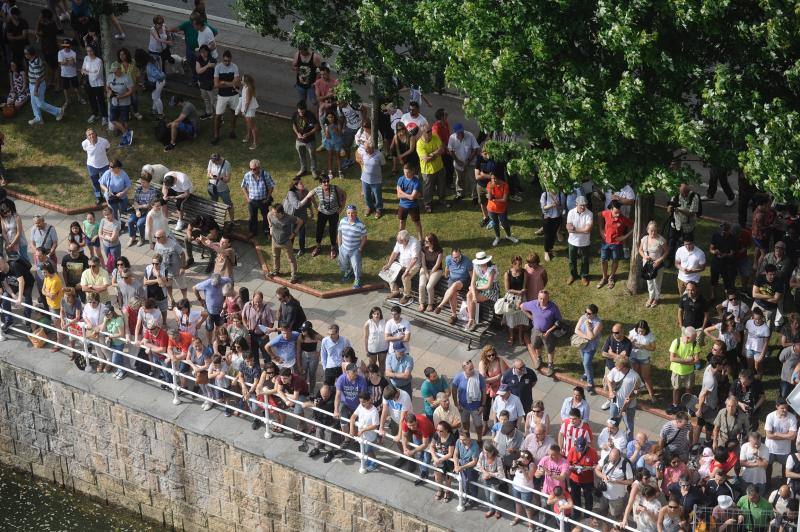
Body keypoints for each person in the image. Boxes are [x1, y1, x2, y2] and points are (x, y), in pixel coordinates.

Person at [300, 175, 346, 258]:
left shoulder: (335, 188)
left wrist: (342, 207)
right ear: (320, 183)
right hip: (322, 213)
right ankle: (318, 246)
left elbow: (344, 194)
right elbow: (310, 195)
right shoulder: (318, 189)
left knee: (332, 230)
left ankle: (333, 248)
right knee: (319, 230)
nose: (326, 183)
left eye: (327, 181)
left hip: (333, 214)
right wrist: (315, 205)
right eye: (324, 182)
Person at [521, 289, 562, 375]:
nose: (542, 301)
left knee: (549, 349)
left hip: (548, 332)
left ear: (548, 298)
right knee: (536, 345)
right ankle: (539, 359)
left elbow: (558, 321)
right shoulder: (533, 304)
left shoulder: (553, 308)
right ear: (538, 298)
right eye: (540, 298)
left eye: (544, 299)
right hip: (536, 331)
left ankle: (550, 365)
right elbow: (521, 306)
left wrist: (549, 330)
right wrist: (530, 316)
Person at [594, 448, 634, 531]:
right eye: (611, 459)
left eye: (614, 460)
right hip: (604, 495)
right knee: (603, 511)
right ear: (609, 455)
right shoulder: (605, 458)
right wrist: (603, 476)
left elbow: (630, 481)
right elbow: (597, 469)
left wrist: (616, 481)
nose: (612, 462)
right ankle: (604, 527)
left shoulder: (625, 464)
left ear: (619, 456)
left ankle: (618, 529)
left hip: (617, 497)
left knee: (617, 515)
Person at [597, 200, 633, 289]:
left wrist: (624, 237)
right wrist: (601, 230)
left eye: (619, 211)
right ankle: (604, 277)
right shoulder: (606, 213)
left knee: (615, 260)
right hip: (605, 242)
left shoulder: (623, 218)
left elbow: (634, 226)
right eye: (616, 212)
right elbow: (599, 215)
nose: (618, 214)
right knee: (603, 260)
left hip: (616, 244)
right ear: (611, 209)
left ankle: (611, 277)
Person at [24, 46, 64, 126]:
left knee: (40, 103)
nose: (25, 55)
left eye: (26, 54)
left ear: (30, 54)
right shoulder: (31, 60)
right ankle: (38, 118)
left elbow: (38, 79)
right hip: (32, 84)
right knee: (33, 102)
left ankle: (59, 111)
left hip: (38, 85)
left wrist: (35, 90)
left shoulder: (36, 63)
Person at [666, 327, 701, 415]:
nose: (696, 339)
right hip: (676, 371)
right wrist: (688, 361)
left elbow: (696, 360)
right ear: (688, 337)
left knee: (688, 389)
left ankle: (688, 406)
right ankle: (675, 405)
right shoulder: (676, 342)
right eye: (694, 337)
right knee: (676, 388)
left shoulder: (695, 344)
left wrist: (682, 361)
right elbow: (671, 358)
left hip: (689, 372)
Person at [765, 397, 797, 490]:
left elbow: (793, 436)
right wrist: (786, 435)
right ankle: (768, 484)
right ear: (777, 407)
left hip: (784, 450)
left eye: (786, 408)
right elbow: (769, 435)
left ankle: (784, 486)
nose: (785, 410)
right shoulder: (770, 416)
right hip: (770, 448)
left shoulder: (792, 417)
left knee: (785, 468)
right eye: (782, 408)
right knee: (768, 467)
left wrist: (777, 434)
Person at [434, 248, 473, 323]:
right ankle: (453, 315)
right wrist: (445, 276)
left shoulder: (467, 261)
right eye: (455, 257)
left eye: (459, 256)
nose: (457, 258)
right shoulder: (448, 259)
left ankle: (441, 305)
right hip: (452, 279)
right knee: (452, 293)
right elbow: (447, 268)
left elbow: (472, 275)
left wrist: (472, 285)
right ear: (451, 256)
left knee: (454, 285)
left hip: (463, 281)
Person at [383, 230, 421, 306]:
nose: (398, 242)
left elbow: (415, 259)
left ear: (405, 240)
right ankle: (395, 292)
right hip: (401, 264)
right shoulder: (400, 241)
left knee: (405, 277)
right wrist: (389, 264)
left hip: (413, 265)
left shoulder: (414, 243)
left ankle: (407, 295)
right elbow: (394, 253)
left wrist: (407, 270)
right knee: (389, 272)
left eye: (400, 241)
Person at [416, 124, 447, 213]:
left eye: (430, 130)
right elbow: (426, 160)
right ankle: (427, 204)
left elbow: (442, 149)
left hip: (439, 167)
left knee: (441, 185)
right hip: (427, 171)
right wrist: (436, 154)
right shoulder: (419, 144)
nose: (430, 132)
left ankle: (442, 199)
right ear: (422, 133)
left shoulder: (435, 136)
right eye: (428, 131)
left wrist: (431, 154)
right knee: (427, 189)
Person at [465, 251, 499, 332]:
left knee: (471, 296)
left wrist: (476, 289)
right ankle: (471, 320)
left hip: (491, 289)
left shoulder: (492, 269)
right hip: (479, 285)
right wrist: (473, 294)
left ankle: (472, 321)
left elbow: (489, 286)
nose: (481, 264)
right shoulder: (476, 267)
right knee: (469, 295)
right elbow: (472, 282)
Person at [638, 220, 670, 307]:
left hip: (657, 265)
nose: (653, 232)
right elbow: (640, 250)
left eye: (655, 230)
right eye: (651, 230)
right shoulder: (644, 239)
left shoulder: (661, 240)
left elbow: (667, 251)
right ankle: (651, 297)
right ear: (647, 230)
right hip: (647, 264)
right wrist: (644, 256)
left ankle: (656, 298)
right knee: (649, 281)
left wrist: (659, 260)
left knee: (657, 282)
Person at [241, 159, 275, 238]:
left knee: (266, 216)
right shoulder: (247, 175)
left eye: (254, 169)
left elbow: (271, 186)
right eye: (251, 169)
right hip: (252, 201)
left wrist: (268, 197)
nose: (252, 170)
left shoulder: (265, 174)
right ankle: (253, 231)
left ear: (259, 167)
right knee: (252, 217)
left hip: (263, 200)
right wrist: (247, 198)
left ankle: (266, 230)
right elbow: (243, 186)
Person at [567, 436, 598, 522]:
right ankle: (577, 513)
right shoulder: (572, 450)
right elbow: (567, 464)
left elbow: (596, 466)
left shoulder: (593, 452)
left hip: (588, 480)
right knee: (575, 497)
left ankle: (587, 515)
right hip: (574, 479)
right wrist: (573, 467)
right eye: (578, 449)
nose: (579, 451)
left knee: (588, 497)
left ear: (586, 446)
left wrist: (589, 468)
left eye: (581, 449)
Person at [451, 360, 486, 438]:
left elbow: (484, 392)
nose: (473, 370)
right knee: (465, 424)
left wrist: (483, 405)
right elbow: (454, 390)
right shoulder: (458, 377)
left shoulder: (479, 377)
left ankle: (479, 439)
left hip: (476, 408)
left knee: (478, 425)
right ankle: (468, 438)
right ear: (464, 369)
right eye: (470, 369)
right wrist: (456, 404)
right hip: (463, 407)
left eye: (473, 368)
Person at [212, 50, 240, 144]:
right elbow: (216, 85)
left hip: (234, 94)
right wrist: (231, 84)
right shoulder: (218, 67)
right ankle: (216, 135)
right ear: (222, 59)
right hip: (222, 95)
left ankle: (232, 131)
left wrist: (224, 83)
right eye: (225, 61)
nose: (227, 62)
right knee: (218, 115)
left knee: (234, 113)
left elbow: (236, 83)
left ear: (231, 59)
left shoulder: (235, 66)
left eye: (228, 61)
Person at [564, 196, 593, 285]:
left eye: (584, 205)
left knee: (585, 260)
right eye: (581, 205)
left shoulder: (589, 214)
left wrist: (574, 229)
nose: (583, 207)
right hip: (572, 241)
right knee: (572, 259)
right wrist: (582, 230)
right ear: (576, 204)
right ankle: (573, 275)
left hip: (585, 242)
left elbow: (587, 230)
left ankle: (584, 276)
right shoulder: (571, 213)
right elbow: (568, 228)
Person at [337, 205, 367, 289]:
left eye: (353, 213)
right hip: (343, 248)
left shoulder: (361, 225)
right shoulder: (342, 221)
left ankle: (357, 279)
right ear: (346, 213)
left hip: (355, 250)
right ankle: (348, 272)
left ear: (356, 213)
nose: (350, 215)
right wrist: (339, 246)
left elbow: (364, 238)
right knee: (344, 263)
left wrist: (360, 248)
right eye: (349, 213)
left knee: (356, 265)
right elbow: (339, 233)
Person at [486, 171, 519, 247]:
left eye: (495, 178)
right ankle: (497, 237)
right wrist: (491, 189)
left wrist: (494, 200)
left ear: (499, 178)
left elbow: (504, 199)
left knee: (504, 223)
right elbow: (490, 197)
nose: (493, 180)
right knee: (495, 223)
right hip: (491, 208)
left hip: (501, 209)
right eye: (492, 178)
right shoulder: (489, 184)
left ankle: (509, 235)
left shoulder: (505, 185)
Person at [400, 412, 434, 484]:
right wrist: (404, 447)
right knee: (419, 455)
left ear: (416, 421)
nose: (412, 428)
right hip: (417, 435)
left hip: (430, 436)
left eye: (414, 425)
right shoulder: (404, 423)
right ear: (406, 423)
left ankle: (423, 474)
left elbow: (425, 444)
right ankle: (424, 475)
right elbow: (404, 436)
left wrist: (413, 451)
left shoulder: (423, 424)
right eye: (410, 426)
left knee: (426, 456)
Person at [106, 61, 133, 147]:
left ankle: (125, 136)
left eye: (115, 70)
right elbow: (107, 86)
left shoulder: (127, 78)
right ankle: (126, 133)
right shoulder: (110, 76)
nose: (113, 72)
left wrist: (121, 96)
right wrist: (110, 91)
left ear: (119, 69)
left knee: (125, 120)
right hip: (114, 102)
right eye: (112, 70)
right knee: (113, 119)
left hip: (125, 103)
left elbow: (131, 91)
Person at [429, 420, 457, 501]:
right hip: (438, 459)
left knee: (448, 478)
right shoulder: (436, 435)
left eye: (441, 431)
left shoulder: (451, 438)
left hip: (448, 461)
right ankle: (440, 490)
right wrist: (434, 457)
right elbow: (431, 446)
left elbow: (450, 454)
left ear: (446, 430)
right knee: (437, 477)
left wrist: (439, 460)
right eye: (437, 430)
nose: (438, 432)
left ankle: (447, 492)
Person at [476, 442, 506, 519]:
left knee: (493, 498)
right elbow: (478, 465)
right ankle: (491, 509)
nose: (485, 454)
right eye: (484, 452)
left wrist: (489, 474)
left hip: (494, 481)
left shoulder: (498, 459)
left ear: (492, 452)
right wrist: (484, 472)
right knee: (487, 496)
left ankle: (498, 510)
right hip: (485, 479)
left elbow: (501, 474)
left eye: (487, 453)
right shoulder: (482, 454)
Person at [292, 99, 319, 178]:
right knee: (301, 155)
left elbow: (316, 127)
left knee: (312, 155)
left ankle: (313, 170)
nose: (301, 113)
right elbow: (293, 125)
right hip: (299, 140)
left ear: (305, 109)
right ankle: (303, 169)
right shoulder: (295, 114)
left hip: (310, 140)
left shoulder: (310, 115)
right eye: (299, 111)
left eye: (302, 111)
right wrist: (297, 133)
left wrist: (308, 134)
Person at [358, 140, 385, 217]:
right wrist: (359, 160)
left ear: (372, 148)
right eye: (365, 148)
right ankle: (369, 207)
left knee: (377, 196)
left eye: (367, 149)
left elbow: (383, 165)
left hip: (376, 180)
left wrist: (377, 173)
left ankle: (379, 209)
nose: (366, 150)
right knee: (367, 195)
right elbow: (357, 154)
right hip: (364, 179)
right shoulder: (364, 153)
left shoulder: (379, 155)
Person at [752, 263, 783, 328]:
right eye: (770, 274)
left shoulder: (779, 282)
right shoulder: (760, 278)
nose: (772, 276)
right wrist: (768, 296)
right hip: (757, 305)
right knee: (753, 324)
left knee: (768, 328)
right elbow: (754, 294)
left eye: (774, 274)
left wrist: (760, 296)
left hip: (770, 309)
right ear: (765, 273)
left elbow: (775, 300)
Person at [744, 306, 771, 376]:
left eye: (759, 319)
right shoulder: (749, 323)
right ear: (752, 317)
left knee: (758, 367)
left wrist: (762, 355)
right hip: (749, 348)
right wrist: (743, 347)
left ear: (762, 317)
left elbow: (766, 343)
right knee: (750, 367)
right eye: (755, 319)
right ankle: (751, 379)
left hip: (758, 350)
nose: (757, 321)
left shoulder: (765, 328)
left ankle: (758, 379)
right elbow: (746, 335)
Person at [236, 73, 259, 150]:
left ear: (245, 81)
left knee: (252, 126)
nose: (241, 80)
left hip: (249, 109)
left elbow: (248, 101)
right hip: (247, 108)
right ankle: (248, 136)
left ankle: (255, 143)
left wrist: (244, 111)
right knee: (248, 123)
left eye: (242, 80)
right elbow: (244, 97)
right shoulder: (245, 87)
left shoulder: (248, 88)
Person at [57, 38, 81, 108]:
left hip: (73, 73)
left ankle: (79, 97)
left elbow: (73, 64)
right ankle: (67, 100)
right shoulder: (60, 52)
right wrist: (69, 62)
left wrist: (67, 62)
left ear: (70, 46)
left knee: (76, 87)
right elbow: (61, 63)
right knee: (65, 88)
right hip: (64, 74)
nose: (65, 48)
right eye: (64, 46)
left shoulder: (73, 53)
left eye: (67, 46)